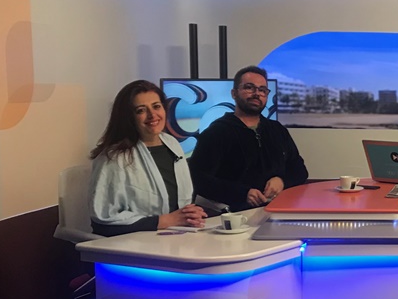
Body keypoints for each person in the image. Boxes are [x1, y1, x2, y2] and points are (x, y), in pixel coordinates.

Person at [89, 80, 206, 236]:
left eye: (156, 106)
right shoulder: (113, 158)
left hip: (177, 236)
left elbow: (177, 204)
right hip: (135, 243)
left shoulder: (172, 143)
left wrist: (189, 214)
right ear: (128, 117)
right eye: (141, 110)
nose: (152, 115)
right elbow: (103, 222)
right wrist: (166, 221)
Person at [189, 66, 309, 211]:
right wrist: (242, 193)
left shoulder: (277, 130)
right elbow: (198, 179)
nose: (256, 94)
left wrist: (281, 181)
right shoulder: (216, 132)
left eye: (262, 90)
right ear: (234, 93)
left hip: (278, 209)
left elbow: (299, 170)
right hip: (236, 214)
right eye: (249, 88)